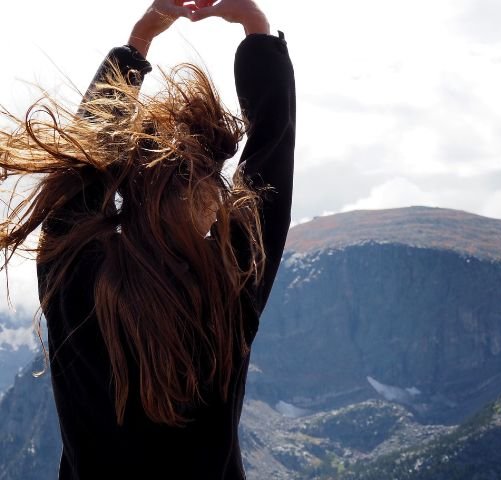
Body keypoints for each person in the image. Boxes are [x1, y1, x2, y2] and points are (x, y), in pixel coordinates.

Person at [0, 0, 295, 478]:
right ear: (201, 195)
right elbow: (272, 162)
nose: (220, 198)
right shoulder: (224, 286)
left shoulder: (75, 274)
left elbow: (79, 172)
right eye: (213, 183)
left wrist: (138, 42)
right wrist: (255, 29)